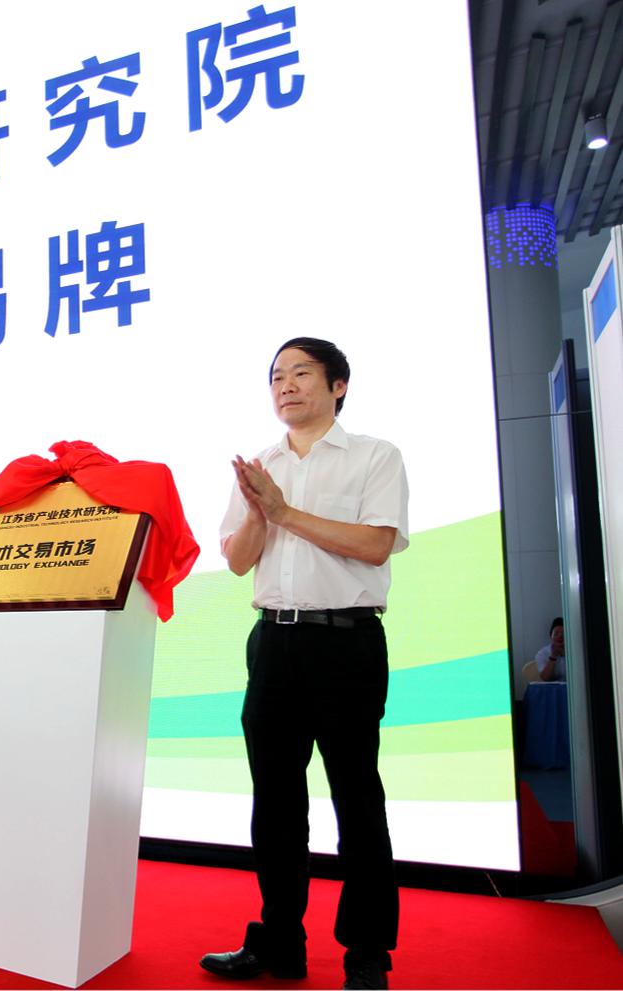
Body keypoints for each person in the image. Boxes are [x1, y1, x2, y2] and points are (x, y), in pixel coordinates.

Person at [200, 338, 408, 991]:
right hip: (273, 643)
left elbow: (375, 545)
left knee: (356, 799)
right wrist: (261, 512)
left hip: (345, 641)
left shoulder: (374, 456)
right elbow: (238, 561)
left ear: (337, 385)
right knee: (275, 804)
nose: (285, 385)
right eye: (275, 377)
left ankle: (366, 953)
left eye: (300, 373)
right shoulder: (260, 465)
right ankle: (280, 943)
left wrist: (284, 510)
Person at [534, 617, 565, 682]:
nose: (560, 636)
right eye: (556, 633)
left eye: (563, 633)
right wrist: (553, 656)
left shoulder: (576, 651)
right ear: (551, 636)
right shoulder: (542, 654)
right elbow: (545, 678)